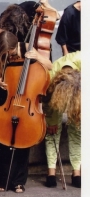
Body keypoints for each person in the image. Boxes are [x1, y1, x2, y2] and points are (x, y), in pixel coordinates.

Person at [0, 31, 52, 193]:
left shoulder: (27, 48)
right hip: (6, 95)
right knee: (1, 138)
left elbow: (50, 66)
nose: (9, 55)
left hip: (26, 96)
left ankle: (18, 180)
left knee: (23, 137)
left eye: (11, 52)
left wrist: (37, 57)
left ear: (16, 45)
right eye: (5, 54)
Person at [43, 51, 81, 188]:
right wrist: (52, 121)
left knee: (78, 130)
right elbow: (47, 100)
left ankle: (77, 172)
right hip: (54, 97)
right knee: (52, 132)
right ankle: (51, 172)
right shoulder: (51, 77)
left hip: (79, 95)